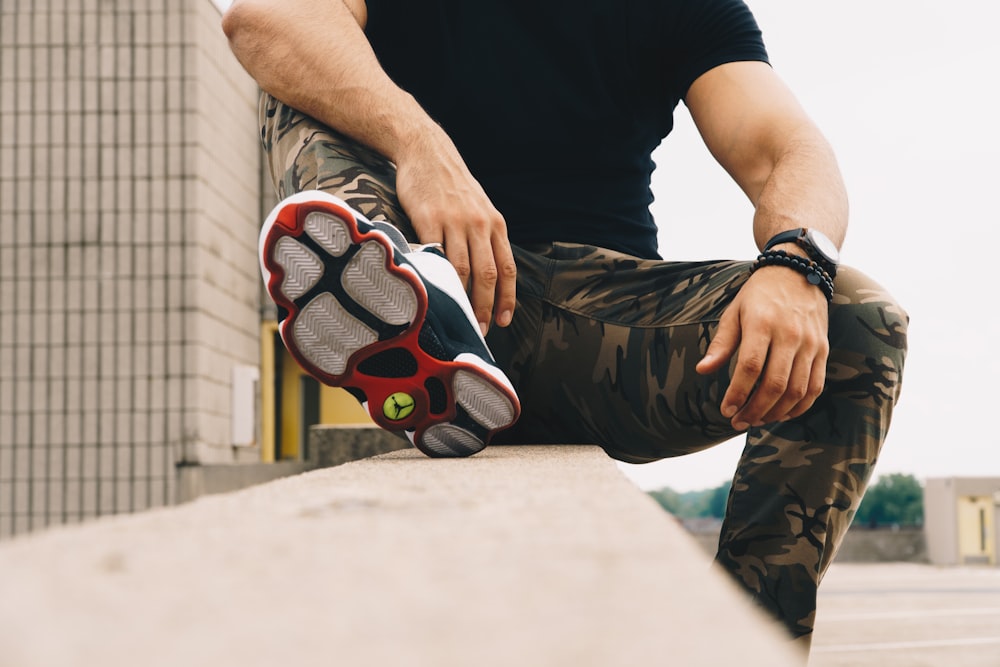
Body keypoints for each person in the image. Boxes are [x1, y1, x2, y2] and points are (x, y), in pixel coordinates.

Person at [222, 0, 908, 652]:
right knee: (308, 62)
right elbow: (260, 19)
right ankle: (399, 292)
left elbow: (786, 147)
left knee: (859, 318)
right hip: (431, 268)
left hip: (598, 331)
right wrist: (420, 144)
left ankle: (746, 642)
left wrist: (794, 263)